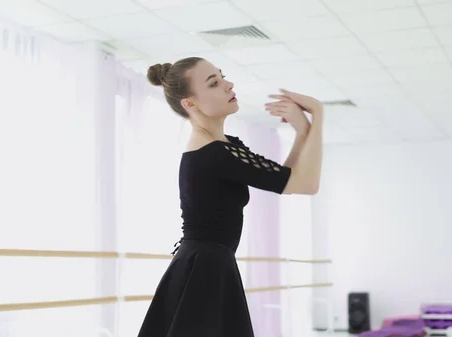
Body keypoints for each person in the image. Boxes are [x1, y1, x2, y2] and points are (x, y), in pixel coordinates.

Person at [137, 57, 324, 337]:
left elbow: (287, 178)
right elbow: (306, 183)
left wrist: (303, 130)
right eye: (214, 83)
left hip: (207, 263)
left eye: (222, 76)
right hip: (206, 266)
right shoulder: (215, 153)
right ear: (190, 103)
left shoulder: (224, 147)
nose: (228, 84)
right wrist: (318, 114)